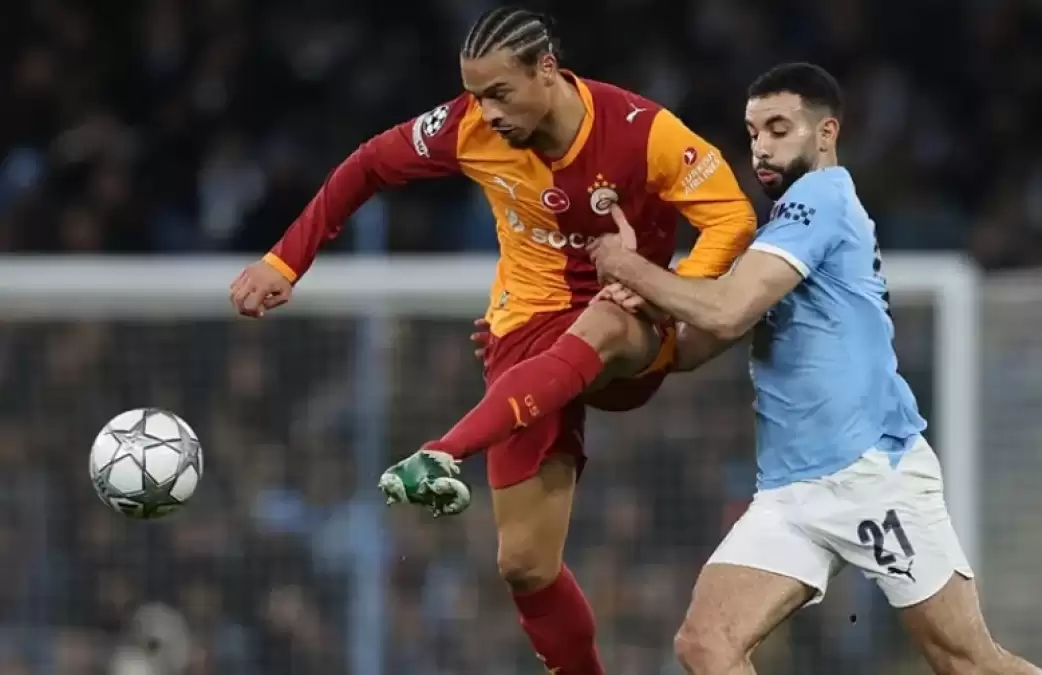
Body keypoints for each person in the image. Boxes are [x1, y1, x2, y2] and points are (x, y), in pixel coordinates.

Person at [229, 7, 755, 674]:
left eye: (500, 93)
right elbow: (367, 166)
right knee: (525, 565)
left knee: (625, 319)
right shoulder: (469, 126)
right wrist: (284, 261)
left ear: (547, 70)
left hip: (630, 316)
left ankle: (443, 450)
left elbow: (732, 217)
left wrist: (671, 288)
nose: (487, 112)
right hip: (525, 336)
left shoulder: (640, 130)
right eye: (476, 95)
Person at [587, 62, 1041, 675]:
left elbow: (724, 311)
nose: (761, 148)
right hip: (791, 490)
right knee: (707, 644)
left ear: (826, 133)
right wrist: (592, 348)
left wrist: (628, 267)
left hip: (868, 473)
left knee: (967, 663)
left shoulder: (819, 201)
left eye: (779, 129)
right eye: (753, 133)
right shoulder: (783, 231)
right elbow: (693, 347)